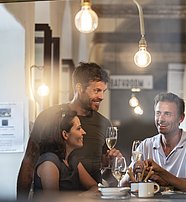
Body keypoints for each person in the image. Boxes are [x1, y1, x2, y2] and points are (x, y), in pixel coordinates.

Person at [17, 62, 122, 200]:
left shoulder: (104, 123)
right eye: (96, 90)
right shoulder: (49, 116)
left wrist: (110, 164)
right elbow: (29, 162)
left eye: (103, 91)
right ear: (79, 88)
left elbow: (104, 174)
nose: (101, 96)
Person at [123, 92, 186, 192]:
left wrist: (161, 175)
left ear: (181, 118)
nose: (161, 119)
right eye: (158, 113)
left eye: (167, 114)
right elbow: (122, 184)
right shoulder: (145, 145)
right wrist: (135, 171)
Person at [33, 109, 97, 198]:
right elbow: (53, 200)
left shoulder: (72, 159)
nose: (84, 132)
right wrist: (81, 198)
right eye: (78, 128)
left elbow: (94, 187)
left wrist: (81, 196)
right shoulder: (49, 163)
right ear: (65, 134)